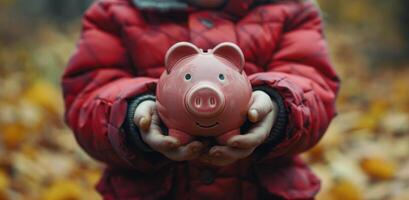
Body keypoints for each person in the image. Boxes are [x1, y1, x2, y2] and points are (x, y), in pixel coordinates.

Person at [62, 0, 340, 199]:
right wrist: (133, 117)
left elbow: (315, 91)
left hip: (263, 187)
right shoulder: (113, 12)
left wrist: (279, 109)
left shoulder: (293, 10)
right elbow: (86, 101)